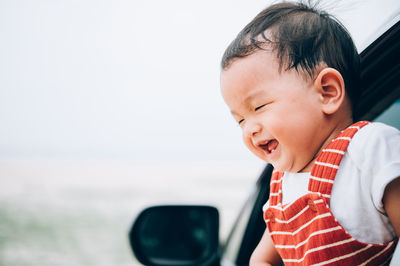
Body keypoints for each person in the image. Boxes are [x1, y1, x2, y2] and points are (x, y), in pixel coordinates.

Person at [220, 1, 400, 265]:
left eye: (259, 106)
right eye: (240, 120)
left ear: (327, 92)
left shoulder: (368, 148)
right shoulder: (281, 189)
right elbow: (261, 259)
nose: (250, 128)